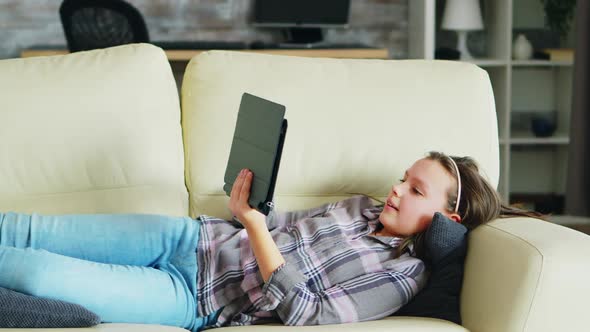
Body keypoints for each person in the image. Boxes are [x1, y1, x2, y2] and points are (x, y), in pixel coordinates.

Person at [0, 151, 540, 331]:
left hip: (194, 297)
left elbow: (304, 311)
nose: (396, 188)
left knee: (37, 274)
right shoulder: (361, 206)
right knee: (29, 229)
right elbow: (286, 225)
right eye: (403, 177)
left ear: (446, 217)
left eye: (415, 189)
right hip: (192, 235)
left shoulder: (402, 275)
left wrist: (256, 229)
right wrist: (257, 204)